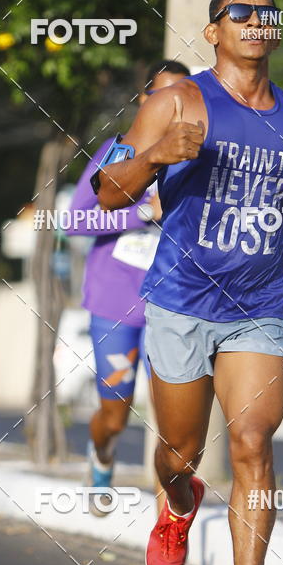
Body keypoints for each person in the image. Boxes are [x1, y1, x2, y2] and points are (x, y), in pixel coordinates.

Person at [94, 0, 283, 565]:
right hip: (181, 304)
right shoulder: (174, 103)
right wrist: (154, 156)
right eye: (238, 12)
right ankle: (179, 500)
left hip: (258, 309)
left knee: (251, 444)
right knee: (179, 452)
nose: (254, 21)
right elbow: (106, 192)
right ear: (213, 31)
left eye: (265, 13)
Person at [67, 60, 190, 499]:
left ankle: (169, 514)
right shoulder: (118, 153)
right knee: (114, 416)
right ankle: (101, 454)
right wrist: (141, 212)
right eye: (161, 96)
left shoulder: (198, 157)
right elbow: (76, 219)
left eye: (183, 96)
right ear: (143, 100)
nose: (172, 107)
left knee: (176, 424)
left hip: (176, 307)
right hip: (117, 304)